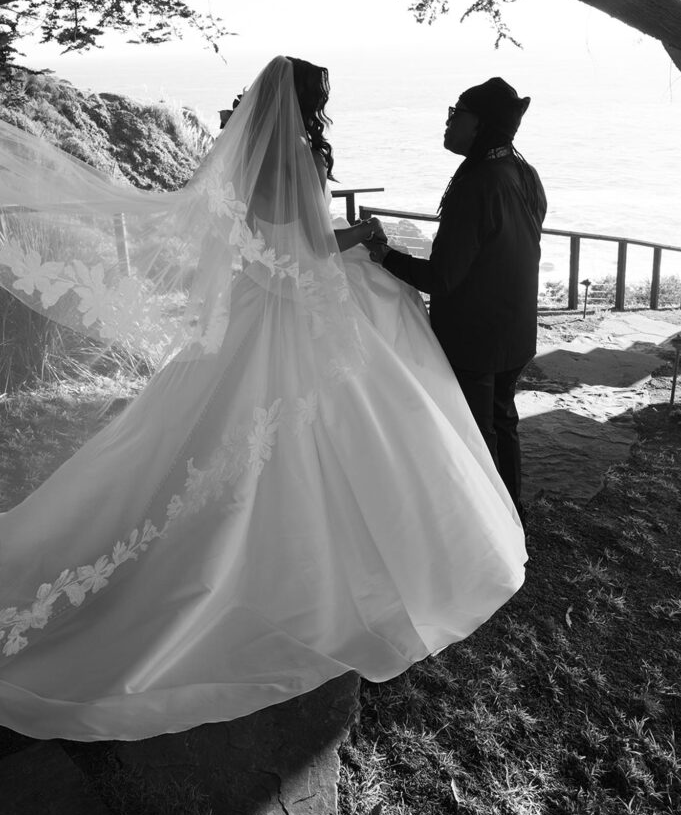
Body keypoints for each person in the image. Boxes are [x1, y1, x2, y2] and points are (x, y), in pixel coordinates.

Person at [0, 58, 526, 742]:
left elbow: (257, 244)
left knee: (226, 436)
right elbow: (306, 247)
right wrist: (363, 236)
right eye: (325, 96)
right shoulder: (299, 155)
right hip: (292, 316)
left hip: (257, 310)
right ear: (306, 104)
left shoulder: (253, 152)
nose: (326, 106)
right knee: (305, 432)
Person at [366, 78, 546, 525]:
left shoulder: (477, 184)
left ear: (480, 124)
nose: (448, 120)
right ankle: (512, 516)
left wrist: (384, 256)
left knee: (475, 432)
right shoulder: (522, 172)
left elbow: (442, 278)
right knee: (503, 422)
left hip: (474, 337)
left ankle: (488, 530)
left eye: (456, 113)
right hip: (516, 330)